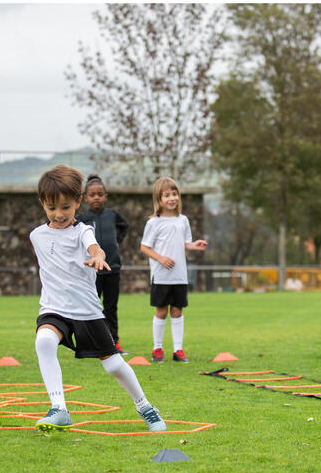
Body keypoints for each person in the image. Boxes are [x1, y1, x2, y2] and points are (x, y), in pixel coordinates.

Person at [29, 164, 165, 432]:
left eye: (66, 208)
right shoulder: (36, 235)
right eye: (51, 208)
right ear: (43, 204)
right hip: (54, 309)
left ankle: (145, 406)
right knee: (44, 340)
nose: (58, 214)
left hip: (87, 312)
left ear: (78, 202)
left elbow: (95, 248)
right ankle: (59, 408)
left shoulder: (83, 231)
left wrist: (98, 256)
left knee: (114, 365)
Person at [140, 176, 207, 363]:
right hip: (161, 277)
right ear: (159, 200)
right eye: (167, 195)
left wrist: (194, 245)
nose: (172, 198)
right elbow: (144, 247)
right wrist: (160, 258)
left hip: (179, 276)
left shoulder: (183, 220)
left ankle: (178, 350)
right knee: (161, 311)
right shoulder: (154, 222)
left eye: (174, 194)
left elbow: (184, 243)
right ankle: (157, 349)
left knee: (177, 311)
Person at [77, 174, 129, 354]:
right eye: (92, 194)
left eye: (100, 194)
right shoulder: (82, 219)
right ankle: (91, 343)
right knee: (91, 307)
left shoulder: (113, 215)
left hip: (112, 268)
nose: (96, 197)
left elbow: (125, 226)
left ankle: (114, 341)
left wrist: (117, 241)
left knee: (110, 307)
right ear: (85, 198)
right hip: (92, 272)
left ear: (105, 196)